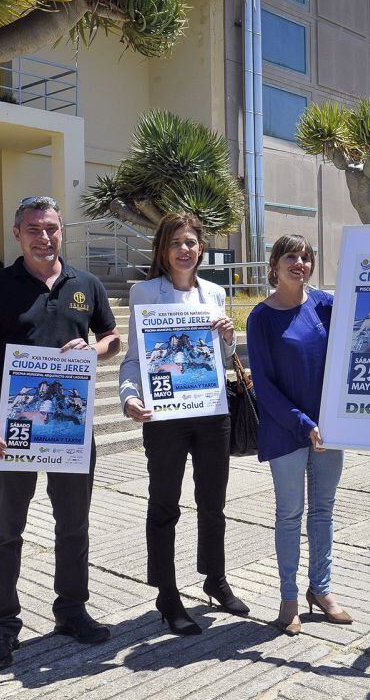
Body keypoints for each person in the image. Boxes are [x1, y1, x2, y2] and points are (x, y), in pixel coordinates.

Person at [0, 196, 121, 672]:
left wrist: (95, 348)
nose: (43, 236)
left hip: (70, 426)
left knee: (74, 524)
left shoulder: (85, 284)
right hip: (14, 427)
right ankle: (2, 628)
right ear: (17, 234)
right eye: (34, 228)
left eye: (51, 228)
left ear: (61, 232)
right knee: (7, 529)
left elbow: (113, 339)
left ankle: (71, 611)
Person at [119, 212, 247, 635]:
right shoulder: (143, 292)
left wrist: (228, 338)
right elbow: (135, 358)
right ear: (163, 249)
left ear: (201, 248)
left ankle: (215, 579)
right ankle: (167, 594)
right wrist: (129, 396)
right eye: (176, 242)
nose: (184, 249)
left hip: (211, 413)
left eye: (191, 242)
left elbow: (224, 360)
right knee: (164, 506)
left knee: (213, 504)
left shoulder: (214, 292)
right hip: (165, 418)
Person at [246, 234, 350, 636]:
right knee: (290, 515)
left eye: (306, 257)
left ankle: (321, 590)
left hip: (330, 429)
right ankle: (288, 598)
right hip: (286, 429)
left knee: (324, 511)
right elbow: (265, 385)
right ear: (275, 264)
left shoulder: (326, 305)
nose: (300, 264)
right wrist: (302, 424)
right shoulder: (260, 317)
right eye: (291, 256)